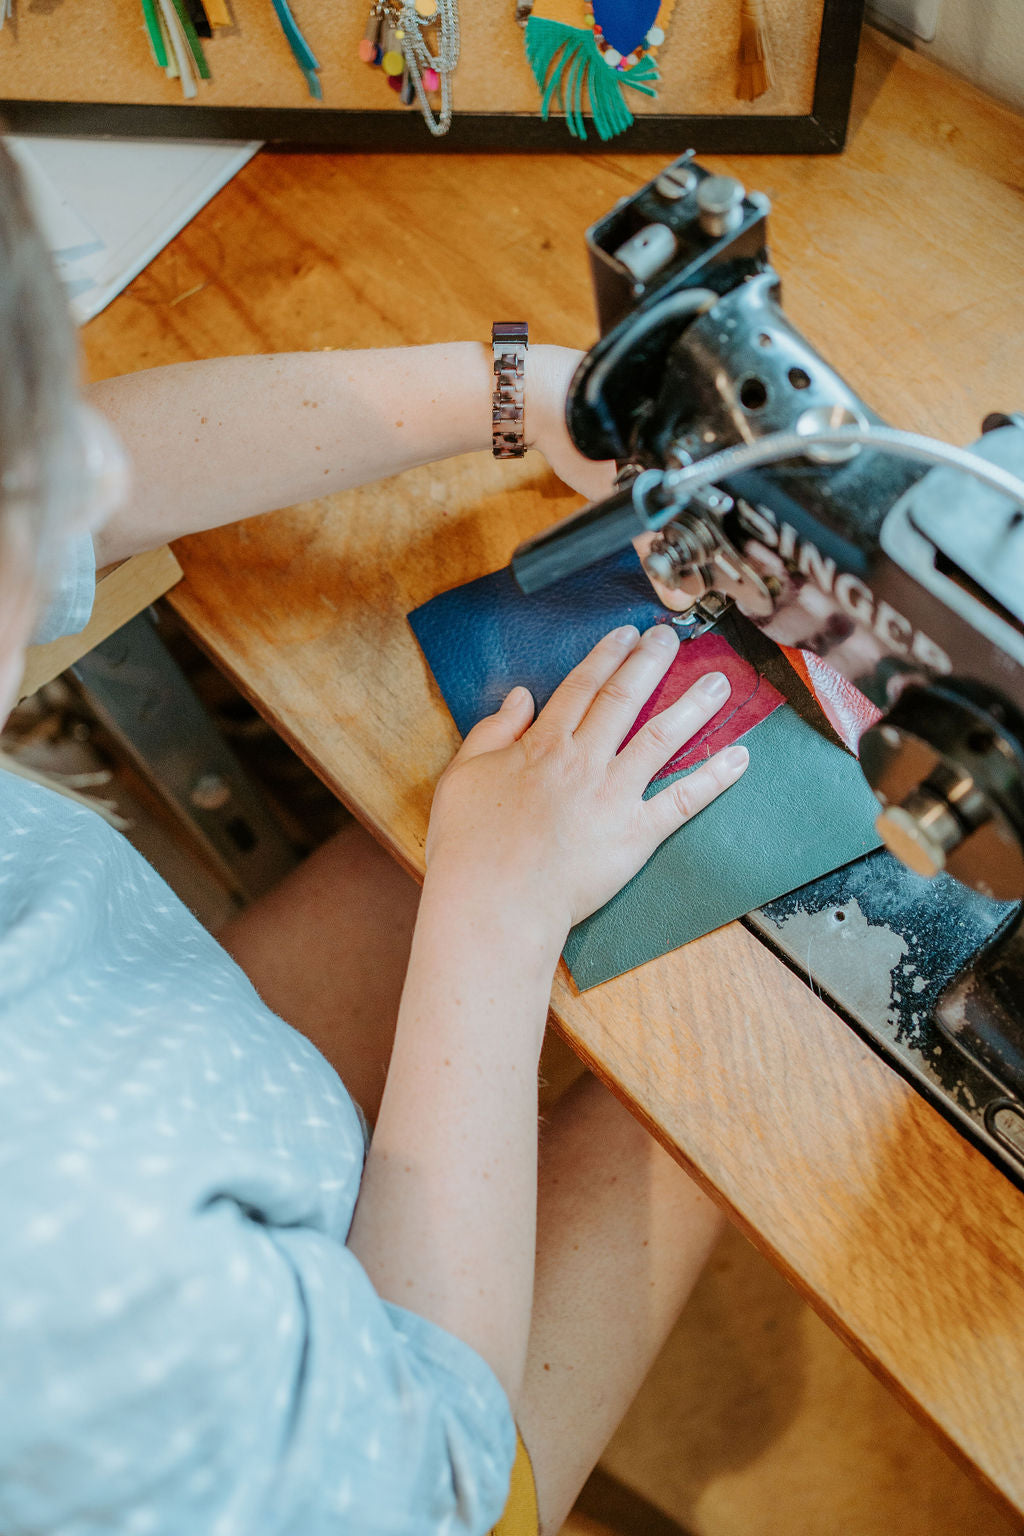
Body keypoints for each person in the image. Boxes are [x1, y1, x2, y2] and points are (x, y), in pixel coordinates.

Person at [0, 140, 749, 1536]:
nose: (72, 474)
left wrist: (513, 392)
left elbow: (84, 474)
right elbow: (440, 1467)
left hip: (189, 1093)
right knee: (731, 1059)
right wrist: (496, 916)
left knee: (459, 827)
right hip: (385, 1440)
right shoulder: (63, 1284)